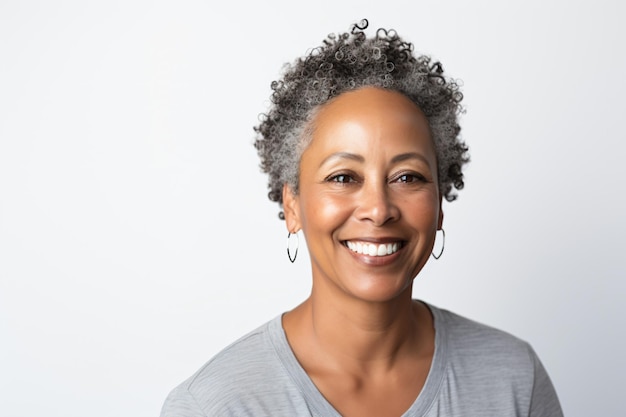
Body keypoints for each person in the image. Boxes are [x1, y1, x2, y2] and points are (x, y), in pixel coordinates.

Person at [160, 19, 563, 417]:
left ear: (440, 202)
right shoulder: (214, 406)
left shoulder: (513, 378)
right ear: (293, 205)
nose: (378, 208)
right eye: (343, 177)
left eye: (408, 177)